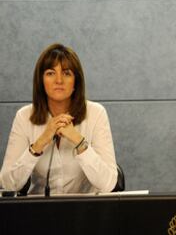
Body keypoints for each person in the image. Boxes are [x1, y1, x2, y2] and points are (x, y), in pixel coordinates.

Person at [0, 43, 118, 194]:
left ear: (76, 82)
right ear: (41, 81)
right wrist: (40, 142)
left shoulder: (96, 114)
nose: (59, 80)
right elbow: (9, 185)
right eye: (50, 73)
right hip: (39, 212)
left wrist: (78, 140)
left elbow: (108, 184)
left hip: (86, 212)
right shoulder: (24, 117)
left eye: (66, 73)